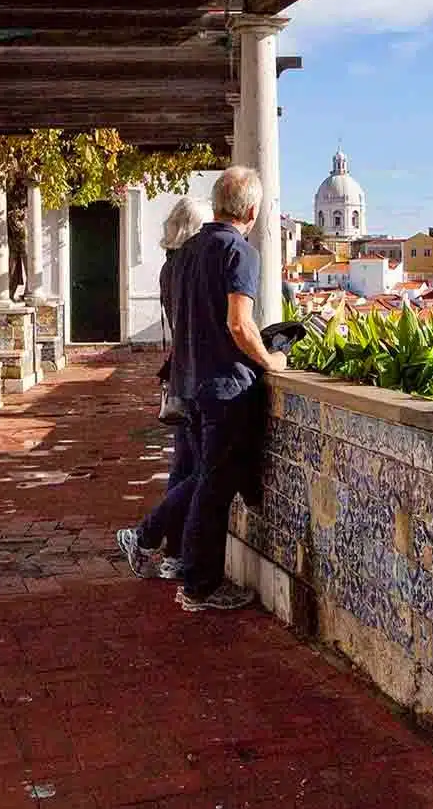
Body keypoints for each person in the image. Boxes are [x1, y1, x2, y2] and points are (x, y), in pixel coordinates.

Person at [117, 167, 285, 612]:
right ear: (252, 209)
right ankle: (198, 585)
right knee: (212, 488)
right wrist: (270, 360)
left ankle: (157, 543)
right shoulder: (239, 253)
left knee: (202, 479)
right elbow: (239, 323)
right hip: (225, 389)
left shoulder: (186, 253)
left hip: (188, 383)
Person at [143, 197, 212, 581]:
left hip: (180, 376)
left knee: (184, 465)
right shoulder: (190, 267)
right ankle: (147, 534)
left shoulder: (170, 267)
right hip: (197, 376)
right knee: (202, 471)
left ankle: (171, 551)